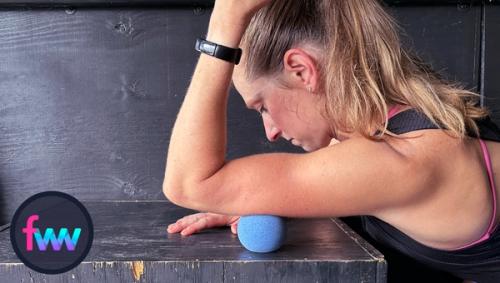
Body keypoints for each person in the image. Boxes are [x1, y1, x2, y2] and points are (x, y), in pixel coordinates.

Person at [163, 0, 500, 282]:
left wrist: (223, 26)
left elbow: (189, 183)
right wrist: (257, 200)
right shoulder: (387, 130)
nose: (271, 132)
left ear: (301, 70)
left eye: (263, 106)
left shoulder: (402, 156)